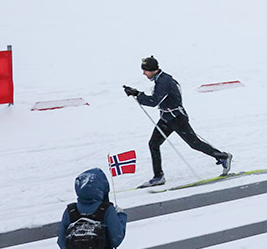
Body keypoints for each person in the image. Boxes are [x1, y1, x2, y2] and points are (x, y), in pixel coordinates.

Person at [123, 56, 232, 187]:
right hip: (166, 118)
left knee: (194, 144)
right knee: (153, 144)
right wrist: (136, 93)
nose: (143, 73)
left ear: (152, 70)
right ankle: (158, 177)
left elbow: (154, 101)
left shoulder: (164, 81)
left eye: (145, 71)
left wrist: (138, 95)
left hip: (177, 118)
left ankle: (223, 156)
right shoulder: (161, 79)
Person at [57, 167, 127, 248]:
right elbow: (116, 239)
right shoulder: (107, 209)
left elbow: (61, 242)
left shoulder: (70, 211)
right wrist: (121, 216)